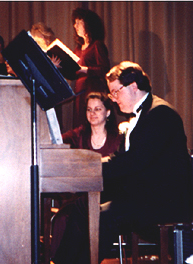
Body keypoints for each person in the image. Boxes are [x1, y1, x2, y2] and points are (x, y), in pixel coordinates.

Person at [53, 61, 193, 264]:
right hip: (143, 191)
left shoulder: (160, 114)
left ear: (133, 87)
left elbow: (133, 163)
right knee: (82, 205)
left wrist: (90, 168)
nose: (113, 99)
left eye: (115, 92)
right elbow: (121, 158)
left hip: (163, 201)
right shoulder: (143, 113)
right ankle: (59, 262)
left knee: (105, 216)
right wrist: (89, 166)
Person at [50, 92, 122, 258]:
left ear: (108, 113)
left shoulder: (118, 138)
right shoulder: (79, 134)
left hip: (107, 196)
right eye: (89, 109)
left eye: (97, 109)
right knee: (63, 218)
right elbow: (57, 141)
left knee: (96, 217)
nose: (92, 113)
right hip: (81, 196)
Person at [69, 8, 110, 128]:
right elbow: (73, 72)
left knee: (90, 123)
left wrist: (85, 69)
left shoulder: (96, 45)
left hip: (92, 90)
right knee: (80, 125)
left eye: (78, 22)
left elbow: (104, 70)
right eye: (74, 22)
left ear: (88, 24)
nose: (75, 25)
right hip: (79, 92)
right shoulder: (77, 49)